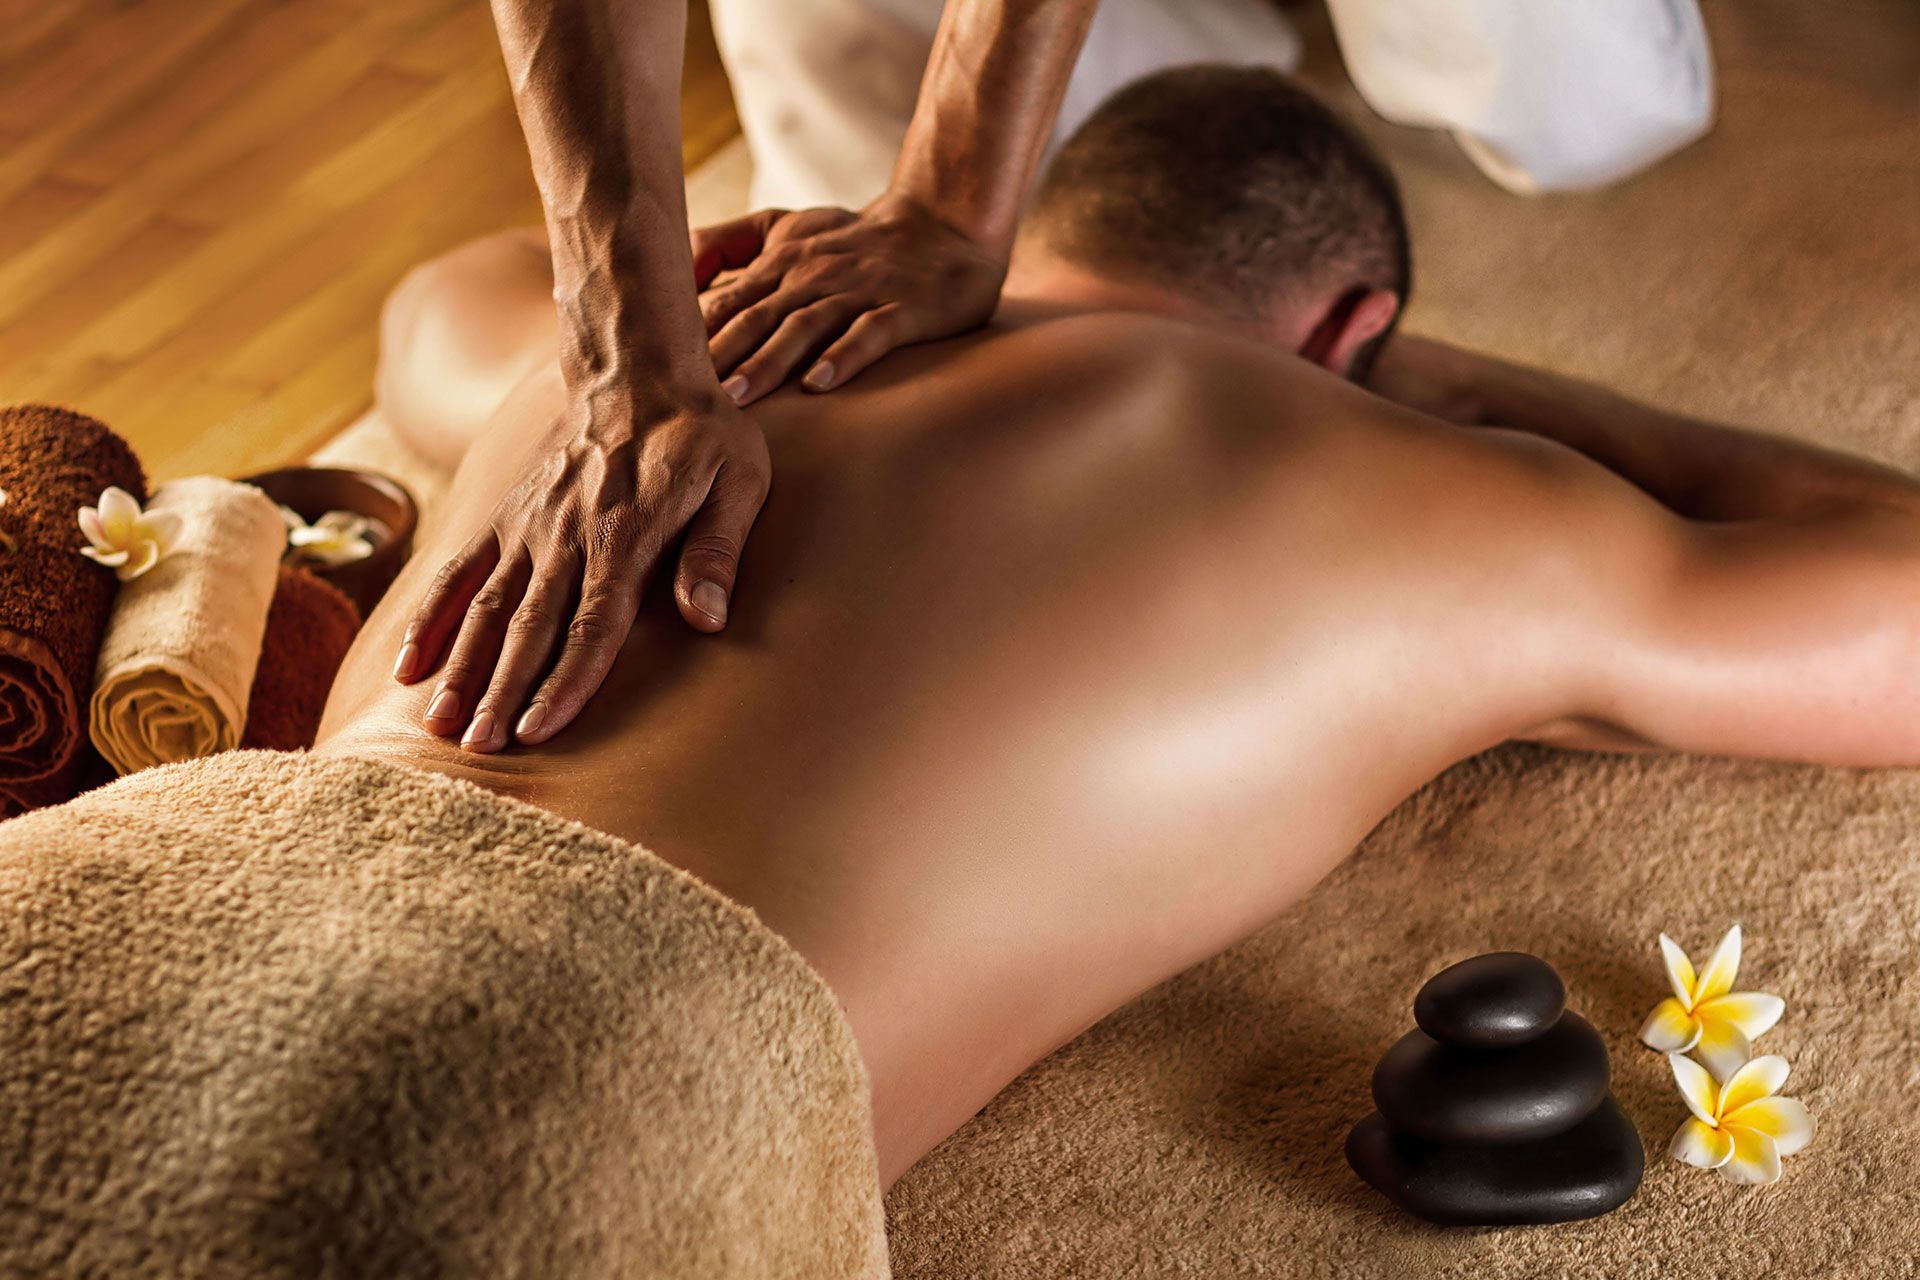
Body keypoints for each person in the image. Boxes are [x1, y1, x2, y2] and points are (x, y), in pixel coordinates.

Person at [320, 67, 1920, 1185]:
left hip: (233, 884)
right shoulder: (1373, 484)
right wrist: (1477, 395)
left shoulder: (668, 350)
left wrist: (703, 263)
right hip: (551, 1124)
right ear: (1351, 332)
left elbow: (430, 314)